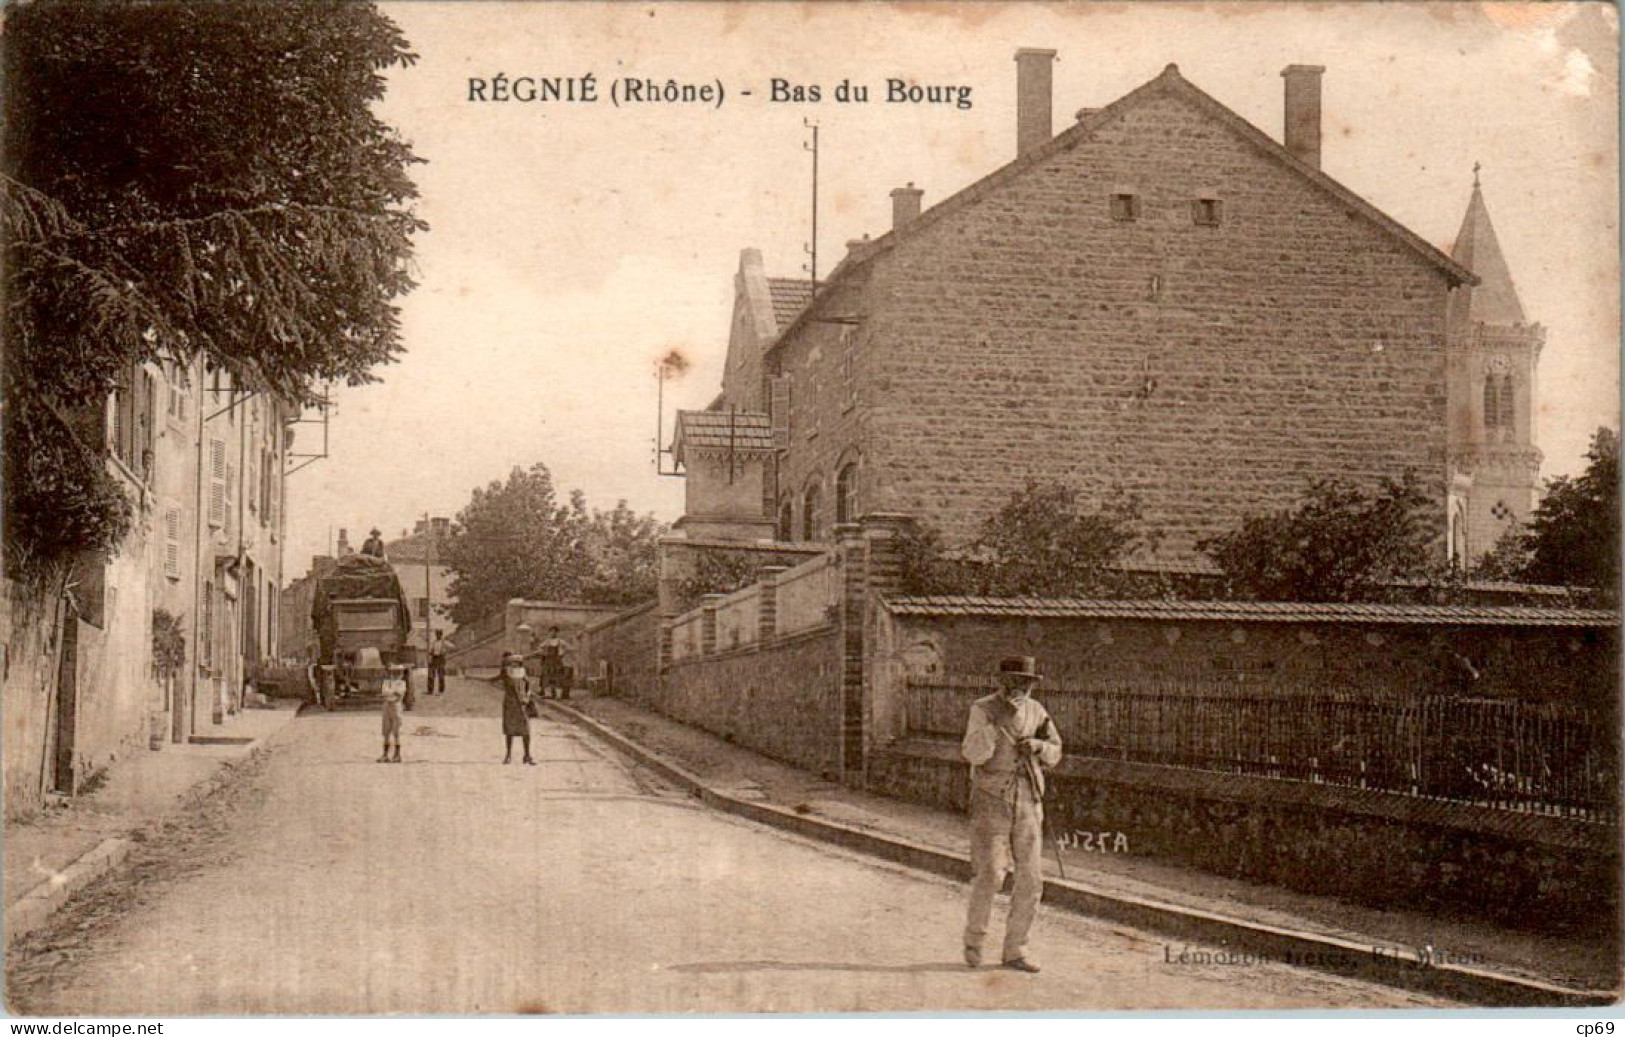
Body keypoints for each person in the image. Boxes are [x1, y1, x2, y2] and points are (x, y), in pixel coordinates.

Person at [960, 655, 1062, 973]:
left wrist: (1038, 747)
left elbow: (1056, 750)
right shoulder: (983, 709)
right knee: (991, 873)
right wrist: (996, 727)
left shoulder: (1037, 711)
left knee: (1031, 878)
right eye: (1015, 681)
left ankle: (1016, 949)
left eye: (1027, 682)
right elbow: (973, 753)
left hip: (1029, 799)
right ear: (1002, 682)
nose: (1021, 687)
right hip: (991, 798)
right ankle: (974, 942)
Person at [499, 652, 536, 765]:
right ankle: (508, 755)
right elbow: (501, 680)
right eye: (512, 662)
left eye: (517, 663)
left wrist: (527, 696)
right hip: (510, 704)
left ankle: (527, 755)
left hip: (522, 704)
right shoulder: (506, 672)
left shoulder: (523, 673)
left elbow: (528, 686)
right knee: (509, 731)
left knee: (526, 730)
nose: (514, 665)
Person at [535, 626, 569, 700]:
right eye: (551, 631)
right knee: (547, 677)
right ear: (549, 632)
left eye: (554, 631)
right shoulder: (547, 642)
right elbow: (540, 648)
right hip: (548, 662)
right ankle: (548, 694)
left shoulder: (560, 641)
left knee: (558, 678)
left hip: (557, 662)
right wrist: (543, 653)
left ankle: (558, 695)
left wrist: (562, 654)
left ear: (557, 633)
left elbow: (567, 648)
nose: (553, 633)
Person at [379, 678, 404, 763]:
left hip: (396, 706)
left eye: (396, 672)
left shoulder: (401, 682)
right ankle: (385, 754)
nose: (393, 675)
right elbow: (384, 692)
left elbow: (400, 694)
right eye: (392, 672)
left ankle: (397, 755)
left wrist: (390, 692)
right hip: (387, 705)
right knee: (386, 730)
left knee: (396, 730)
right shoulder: (386, 682)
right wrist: (393, 692)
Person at [428, 631, 454, 695]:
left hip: (441, 659)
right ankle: (430, 690)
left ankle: (441, 690)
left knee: (441, 675)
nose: (438, 636)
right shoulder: (434, 642)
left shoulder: (444, 642)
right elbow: (431, 651)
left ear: (441, 635)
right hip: (434, 659)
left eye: (439, 634)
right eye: (437, 634)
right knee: (431, 674)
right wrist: (431, 653)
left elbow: (452, 647)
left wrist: (445, 651)